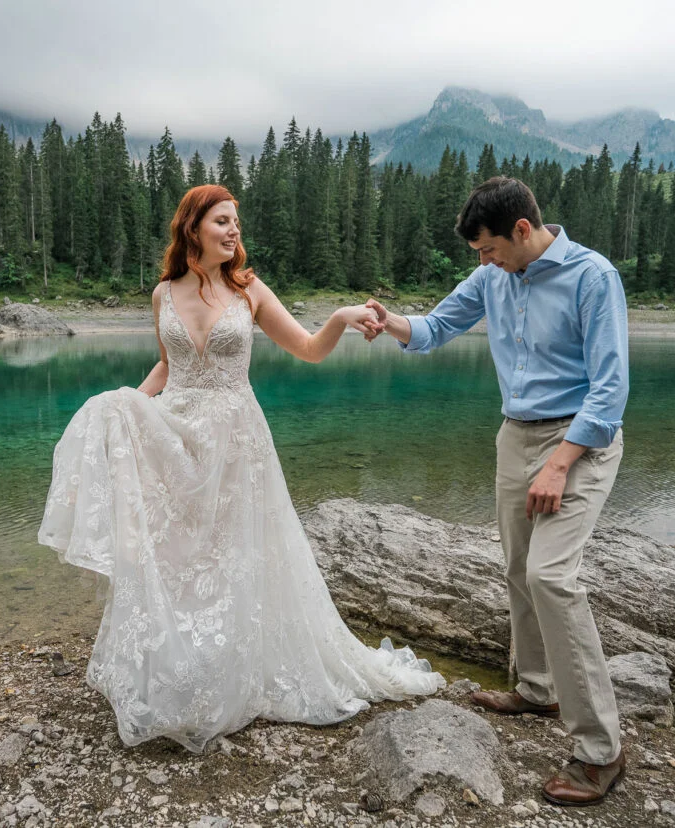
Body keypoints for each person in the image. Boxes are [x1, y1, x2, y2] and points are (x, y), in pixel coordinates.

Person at [38, 184, 445, 753]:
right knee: (179, 555)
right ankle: (181, 672)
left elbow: (306, 348)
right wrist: (128, 410)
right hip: (178, 435)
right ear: (193, 228)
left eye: (237, 223)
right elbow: (166, 364)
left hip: (237, 440)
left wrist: (340, 318)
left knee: (235, 555)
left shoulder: (248, 288)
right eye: (223, 221)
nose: (234, 232)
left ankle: (237, 673)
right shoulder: (163, 294)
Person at [366, 176, 629, 807]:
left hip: (580, 441)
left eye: (487, 250)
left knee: (553, 576)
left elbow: (611, 387)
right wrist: (388, 321)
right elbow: (433, 328)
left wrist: (562, 462)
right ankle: (537, 688)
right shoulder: (492, 278)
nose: (484, 264)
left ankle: (602, 749)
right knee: (516, 567)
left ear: (521, 230)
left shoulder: (594, 277)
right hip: (516, 436)